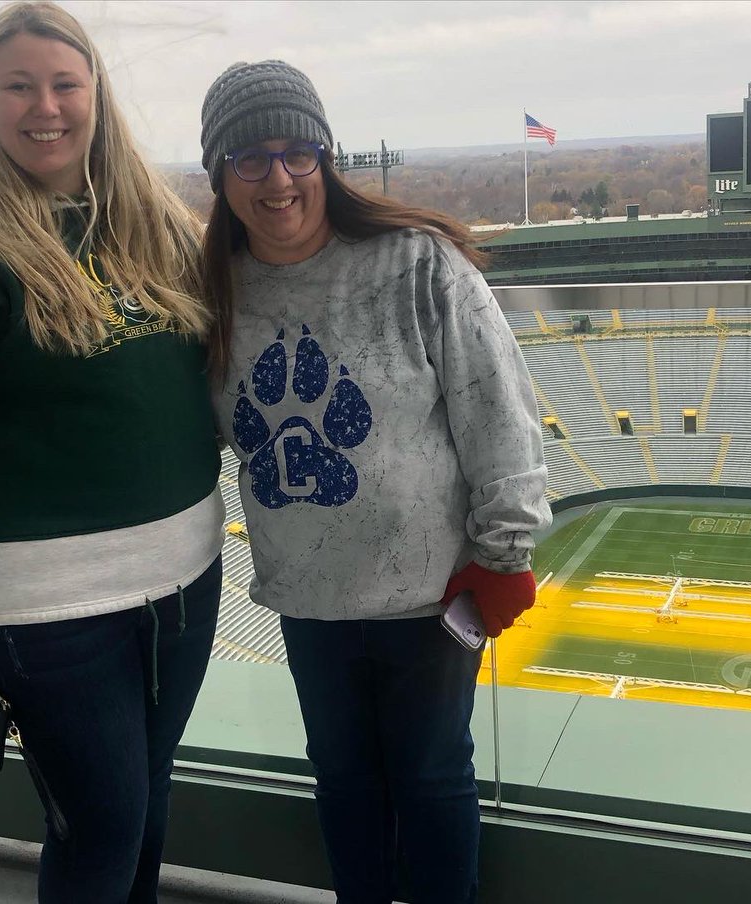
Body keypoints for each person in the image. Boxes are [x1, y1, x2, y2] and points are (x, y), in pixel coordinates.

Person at [0, 4, 224, 901]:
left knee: (146, 799)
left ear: (96, 93)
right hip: (49, 612)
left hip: (184, 582)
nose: (45, 106)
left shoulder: (146, 223)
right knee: (98, 825)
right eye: (19, 85)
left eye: (65, 83)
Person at [199, 61, 552, 904]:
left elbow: (498, 411)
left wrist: (504, 553)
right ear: (220, 173)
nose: (277, 178)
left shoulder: (419, 266)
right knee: (344, 784)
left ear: (328, 159)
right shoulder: (210, 291)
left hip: (432, 598)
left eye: (297, 153)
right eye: (250, 158)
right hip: (310, 598)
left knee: (432, 780)